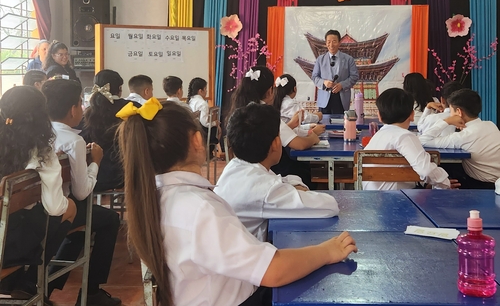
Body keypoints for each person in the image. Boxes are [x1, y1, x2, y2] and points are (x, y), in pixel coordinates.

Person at [115, 99, 357, 306]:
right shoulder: (198, 208)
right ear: (198, 141)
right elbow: (273, 270)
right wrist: (328, 251)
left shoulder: (159, 196)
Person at [42, 79, 121, 306]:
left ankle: (49, 284)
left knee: (84, 223)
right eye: (80, 104)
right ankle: (91, 291)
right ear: (73, 110)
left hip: (40, 211)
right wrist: (95, 162)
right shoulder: (73, 140)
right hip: (61, 211)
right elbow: (82, 191)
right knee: (108, 219)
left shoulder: (40, 134)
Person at [215, 103, 339, 242]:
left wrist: (292, 185)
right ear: (275, 143)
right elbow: (329, 206)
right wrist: (297, 188)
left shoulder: (236, 167)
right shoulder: (264, 189)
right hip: (245, 260)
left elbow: (283, 180)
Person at [0, 86, 76, 302]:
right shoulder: (42, 150)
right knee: (67, 208)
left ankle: (14, 282)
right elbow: (55, 207)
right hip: (9, 247)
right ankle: (29, 281)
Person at [228, 66, 321, 189]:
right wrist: (313, 138)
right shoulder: (265, 114)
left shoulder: (239, 111)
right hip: (269, 169)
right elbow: (299, 144)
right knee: (302, 170)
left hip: (246, 172)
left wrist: (290, 125)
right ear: (269, 91)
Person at [363, 88, 454, 190]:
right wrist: (446, 184)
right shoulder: (405, 136)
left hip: (371, 198)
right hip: (396, 200)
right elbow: (426, 171)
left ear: (379, 116)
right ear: (412, 115)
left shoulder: (378, 135)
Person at [419, 89, 500, 189]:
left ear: (458, 112)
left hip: (480, 186)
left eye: (451, 111)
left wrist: (447, 121)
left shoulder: (462, 137)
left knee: (444, 174)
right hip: (497, 183)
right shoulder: (491, 125)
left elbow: (423, 140)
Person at [81, 69, 140, 191]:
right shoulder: (132, 108)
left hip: (96, 174)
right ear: (119, 89)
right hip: (127, 174)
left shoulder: (88, 112)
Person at [312, 29, 359, 114]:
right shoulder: (320, 59)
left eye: (334, 41)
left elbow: (354, 76)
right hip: (324, 99)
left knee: (340, 125)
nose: (331, 45)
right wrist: (324, 82)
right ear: (326, 43)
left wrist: (342, 85)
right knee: (323, 125)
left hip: (341, 98)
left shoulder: (348, 59)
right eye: (328, 42)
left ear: (339, 43)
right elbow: (314, 77)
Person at [187, 77, 220, 155]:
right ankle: (209, 152)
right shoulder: (202, 103)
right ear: (200, 91)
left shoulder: (190, 101)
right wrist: (215, 123)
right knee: (215, 129)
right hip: (201, 133)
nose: (206, 91)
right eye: (205, 89)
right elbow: (205, 123)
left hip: (191, 131)